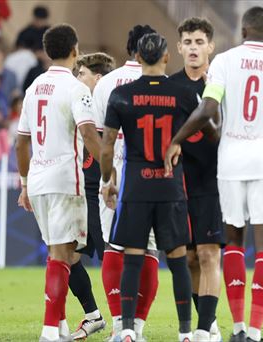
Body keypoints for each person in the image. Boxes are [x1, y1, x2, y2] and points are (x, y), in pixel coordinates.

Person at [164, 6, 263, 342]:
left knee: (231, 242)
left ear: (243, 32)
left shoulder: (225, 62)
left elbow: (208, 109)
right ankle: (256, 332)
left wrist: (177, 139)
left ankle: (238, 327)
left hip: (230, 161)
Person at [100, 32, 195, 342]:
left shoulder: (122, 95)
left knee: (132, 257)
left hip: (136, 187)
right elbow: (199, 137)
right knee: (178, 260)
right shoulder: (183, 94)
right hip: (169, 186)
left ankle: (127, 329)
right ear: (168, 57)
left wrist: (106, 181)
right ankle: (185, 332)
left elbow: (106, 146)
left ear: (137, 58)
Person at [14, 23, 102, 342]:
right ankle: (50, 330)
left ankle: (62, 325)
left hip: (37, 181)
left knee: (56, 254)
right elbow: (89, 133)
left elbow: (21, 142)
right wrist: (109, 173)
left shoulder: (35, 86)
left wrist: (24, 184)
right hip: (66, 180)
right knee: (63, 257)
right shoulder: (76, 88)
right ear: (75, 50)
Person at [92, 24, 158, 342]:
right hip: (154, 177)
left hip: (116, 172)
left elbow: (99, 137)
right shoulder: (165, 83)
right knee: (149, 252)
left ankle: (120, 327)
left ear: (129, 47)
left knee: (114, 248)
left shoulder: (106, 83)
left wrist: (106, 179)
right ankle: (139, 328)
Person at [167, 17, 222, 341]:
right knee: (188, 258)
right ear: (178, 47)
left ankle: (205, 325)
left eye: (199, 42)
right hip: (178, 182)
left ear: (210, 47)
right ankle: (207, 317)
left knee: (208, 253)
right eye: (187, 42)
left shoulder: (221, 83)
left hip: (213, 181)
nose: (193, 48)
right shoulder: (171, 86)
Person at [69, 52, 115, 341]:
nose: (77, 79)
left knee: (113, 256)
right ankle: (93, 316)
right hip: (80, 191)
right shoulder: (78, 103)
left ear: (98, 78)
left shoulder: (111, 106)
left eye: (82, 73)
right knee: (69, 255)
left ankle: (126, 323)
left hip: (103, 191)